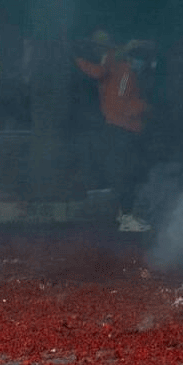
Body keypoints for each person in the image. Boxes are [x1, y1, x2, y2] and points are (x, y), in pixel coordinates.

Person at [75, 30, 155, 232]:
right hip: (120, 127)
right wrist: (144, 108)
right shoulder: (114, 63)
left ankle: (125, 214)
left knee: (128, 173)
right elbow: (118, 99)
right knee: (125, 174)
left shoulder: (122, 65)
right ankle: (127, 217)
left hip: (128, 127)